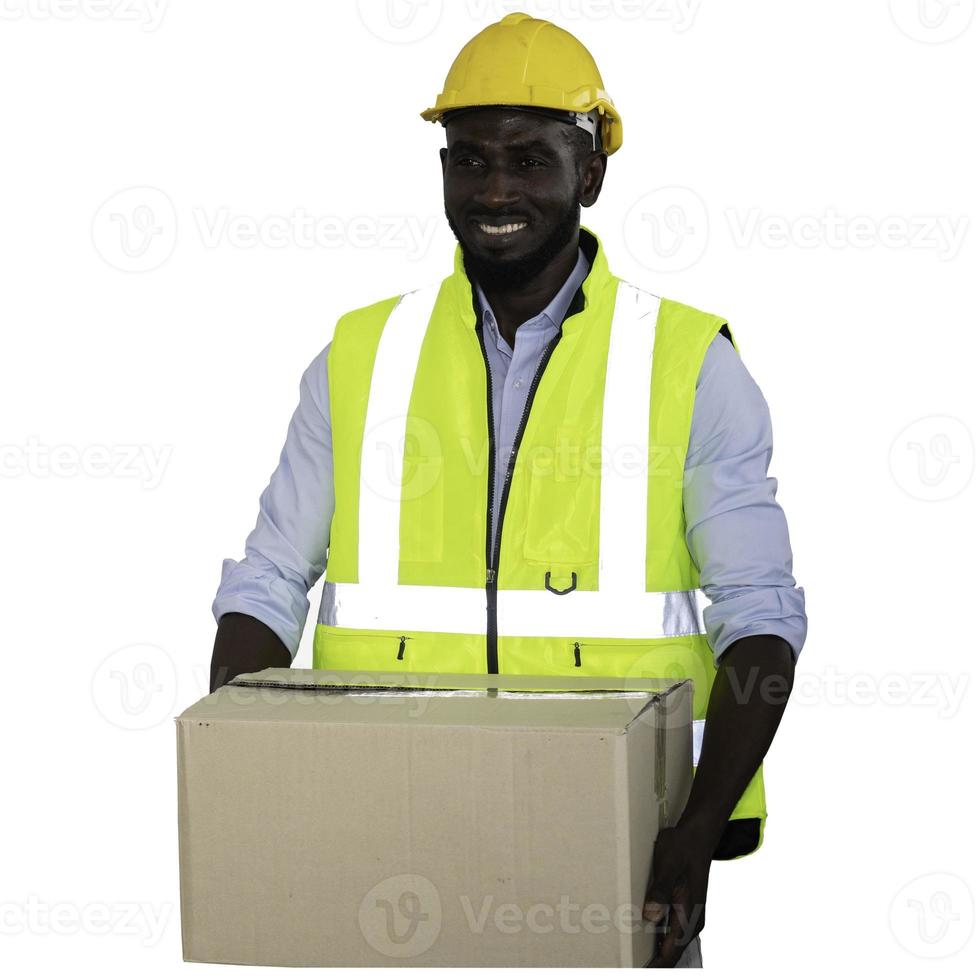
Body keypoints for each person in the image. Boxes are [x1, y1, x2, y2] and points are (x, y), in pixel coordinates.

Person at [209, 13, 807, 968]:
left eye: (529, 160)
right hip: (381, 851)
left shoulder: (689, 365)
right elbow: (268, 578)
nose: (494, 190)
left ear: (592, 175)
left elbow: (762, 616)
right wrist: (239, 778)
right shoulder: (362, 356)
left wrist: (695, 835)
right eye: (469, 159)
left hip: (615, 851)